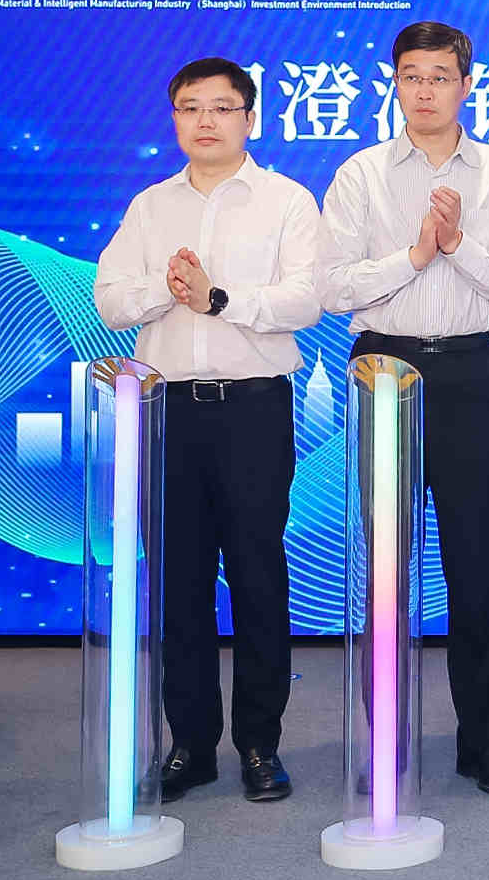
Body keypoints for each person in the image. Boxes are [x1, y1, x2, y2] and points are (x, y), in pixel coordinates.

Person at [321, 20, 489, 797]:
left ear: (466, 85)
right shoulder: (361, 174)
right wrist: (414, 254)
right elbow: (334, 286)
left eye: (440, 77)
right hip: (384, 368)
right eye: (411, 76)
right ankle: (384, 739)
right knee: (384, 565)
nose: (424, 91)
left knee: (475, 566)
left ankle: (485, 743)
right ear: (394, 83)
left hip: (470, 372)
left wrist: (456, 246)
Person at [95, 58, 322, 804]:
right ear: (174, 119)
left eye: (222, 107)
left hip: (254, 408)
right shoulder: (150, 206)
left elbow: (305, 301)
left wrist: (216, 297)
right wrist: (166, 289)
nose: (205, 121)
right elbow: (110, 301)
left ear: (249, 119)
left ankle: (260, 744)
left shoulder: (286, 201)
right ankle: (190, 745)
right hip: (168, 412)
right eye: (190, 107)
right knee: (178, 583)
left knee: (258, 576)